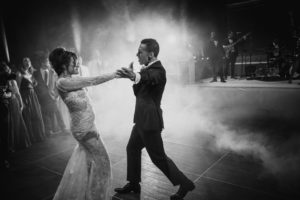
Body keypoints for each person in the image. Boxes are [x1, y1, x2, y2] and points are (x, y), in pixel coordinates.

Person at [114, 39, 195, 200]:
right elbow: (139, 92)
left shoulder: (158, 70)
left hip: (150, 122)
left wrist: (135, 75)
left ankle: (185, 183)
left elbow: (152, 78)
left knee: (158, 157)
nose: (137, 54)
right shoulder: (146, 70)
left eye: (140, 51)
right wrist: (133, 77)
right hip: (141, 120)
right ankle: (134, 183)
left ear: (150, 54)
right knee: (132, 148)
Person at [49, 47, 119, 200]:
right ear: (63, 66)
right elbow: (93, 80)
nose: (77, 66)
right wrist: (115, 74)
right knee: (103, 163)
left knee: (91, 164)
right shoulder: (63, 82)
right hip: (83, 129)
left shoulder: (72, 80)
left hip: (88, 126)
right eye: (73, 64)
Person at [32, 52, 66, 136]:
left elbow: (56, 83)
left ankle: (63, 128)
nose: (48, 63)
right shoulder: (36, 73)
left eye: (48, 62)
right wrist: (39, 95)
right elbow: (35, 85)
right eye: (46, 61)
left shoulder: (52, 71)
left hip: (52, 95)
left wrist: (56, 94)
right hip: (42, 97)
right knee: (46, 113)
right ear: (42, 62)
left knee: (57, 111)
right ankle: (49, 131)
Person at [1, 62, 31, 152]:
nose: (7, 71)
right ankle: (11, 145)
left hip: (14, 102)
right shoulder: (4, 81)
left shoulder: (13, 80)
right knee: (10, 125)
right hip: (6, 104)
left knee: (17, 122)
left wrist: (21, 103)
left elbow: (17, 93)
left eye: (7, 69)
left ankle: (18, 144)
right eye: (5, 70)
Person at [19, 57, 46, 142]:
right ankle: (32, 138)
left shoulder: (31, 73)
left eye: (28, 61)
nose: (27, 62)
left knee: (36, 115)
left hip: (33, 95)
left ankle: (39, 136)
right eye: (25, 61)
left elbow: (34, 85)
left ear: (30, 63)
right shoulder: (19, 74)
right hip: (25, 96)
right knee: (29, 116)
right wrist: (21, 101)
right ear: (22, 63)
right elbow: (18, 88)